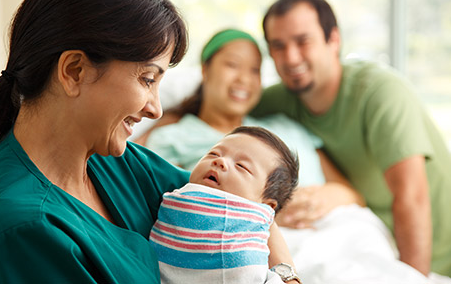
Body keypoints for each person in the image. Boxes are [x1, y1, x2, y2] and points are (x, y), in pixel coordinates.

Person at [0, 0, 192, 283]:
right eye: (148, 79)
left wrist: (285, 277)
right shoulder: (21, 233)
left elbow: (241, 208)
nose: (155, 109)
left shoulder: (113, 161)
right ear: (74, 71)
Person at [251, 0, 451, 277]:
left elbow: (411, 195)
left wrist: (413, 278)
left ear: (334, 39)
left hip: (436, 254)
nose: (291, 57)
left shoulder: (380, 93)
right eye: (278, 46)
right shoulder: (280, 100)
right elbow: (218, 104)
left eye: (303, 41)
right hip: (375, 246)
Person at [141, 28, 365, 228]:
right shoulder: (174, 138)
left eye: (255, 70)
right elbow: (169, 210)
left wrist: (326, 198)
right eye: (232, 65)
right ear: (205, 69)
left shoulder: (286, 128)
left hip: (342, 234)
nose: (244, 80)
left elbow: (354, 194)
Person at [150, 126, 301, 284]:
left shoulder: (257, 219)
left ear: (266, 206)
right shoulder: (178, 191)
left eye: (241, 166)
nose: (219, 161)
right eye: (213, 154)